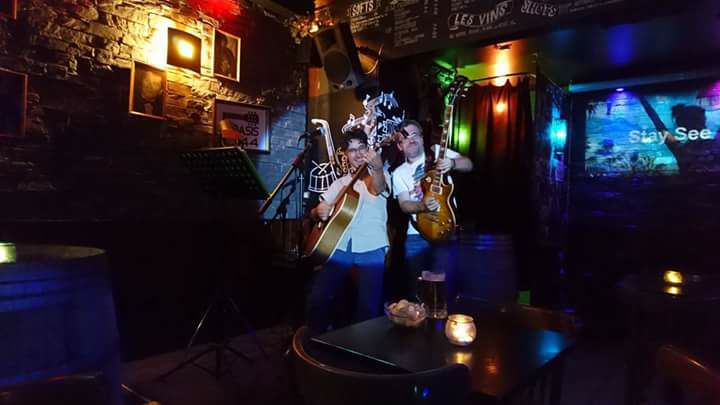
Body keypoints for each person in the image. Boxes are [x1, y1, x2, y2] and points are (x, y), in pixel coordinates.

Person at [305, 130, 390, 334]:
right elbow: (315, 212)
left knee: (367, 307)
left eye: (361, 148)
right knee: (318, 297)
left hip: (371, 247)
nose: (358, 153)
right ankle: (315, 342)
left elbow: (379, 188)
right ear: (346, 154)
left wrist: (378, 168)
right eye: (352, 150)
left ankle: (362, 349)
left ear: (368, 150)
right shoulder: (340, 184)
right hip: (340, 245)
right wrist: (318, 211)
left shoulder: (380, 175)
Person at [391, 119, 473, 308]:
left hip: (445, 231)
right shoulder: (398, 173)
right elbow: (404, 204)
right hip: (416, 236)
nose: (411, 139)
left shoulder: (438, 152)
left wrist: (452, 163)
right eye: (405, 138)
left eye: (414, 134)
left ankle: (444, 323)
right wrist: (422, 206)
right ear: (399, 146)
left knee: (445, 291)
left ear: (422, 138)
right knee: (418, 292)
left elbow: (468, 164)